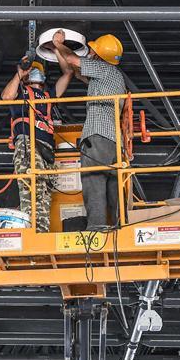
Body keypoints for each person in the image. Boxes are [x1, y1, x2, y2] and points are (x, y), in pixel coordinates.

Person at [53, 30, 126, 230]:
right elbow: (75, 71)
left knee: (93, 180)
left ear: (100, 55)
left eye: (93, 51)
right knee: (114, 187)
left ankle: (96, 227)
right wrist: (58, 52)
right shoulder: (111, 77)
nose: (90, 53)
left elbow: (72, 60)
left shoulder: (103, 68)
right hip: (114, 142)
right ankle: (122, 226)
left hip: (98, 136)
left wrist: (58, 43)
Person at [1, 57, 73, 232]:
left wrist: (56, 49)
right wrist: (19, 74)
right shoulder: (21, 92)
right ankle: (34, 232)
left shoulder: (48, 95)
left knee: (44, 194)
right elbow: (6, 96)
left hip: (47, 150)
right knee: (32, 190)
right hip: (28, 144)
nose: (35, 73)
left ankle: (41, 231)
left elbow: (68, 73)